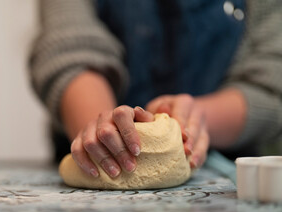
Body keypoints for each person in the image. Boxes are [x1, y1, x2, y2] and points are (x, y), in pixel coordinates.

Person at [29, 0, 282, 179]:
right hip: (90, 162)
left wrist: (192, 122)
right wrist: (100, 132)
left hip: (225, 167)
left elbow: (271, 78)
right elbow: (69, 47)